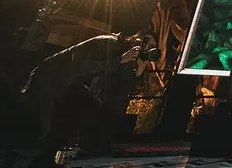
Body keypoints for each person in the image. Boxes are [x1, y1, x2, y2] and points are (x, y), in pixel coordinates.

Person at [19, 33, 155, 166]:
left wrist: (137, 74)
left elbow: (117, 93)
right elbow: (83, 67)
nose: (149, 49)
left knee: (87, 111)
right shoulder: (108, 43)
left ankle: (47, 156)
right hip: (51, 77)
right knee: (40, 129)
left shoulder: (128, 59)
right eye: (147, 44)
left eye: (153, 47)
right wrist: (119, 60)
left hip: (69, 85)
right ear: (137, 39)